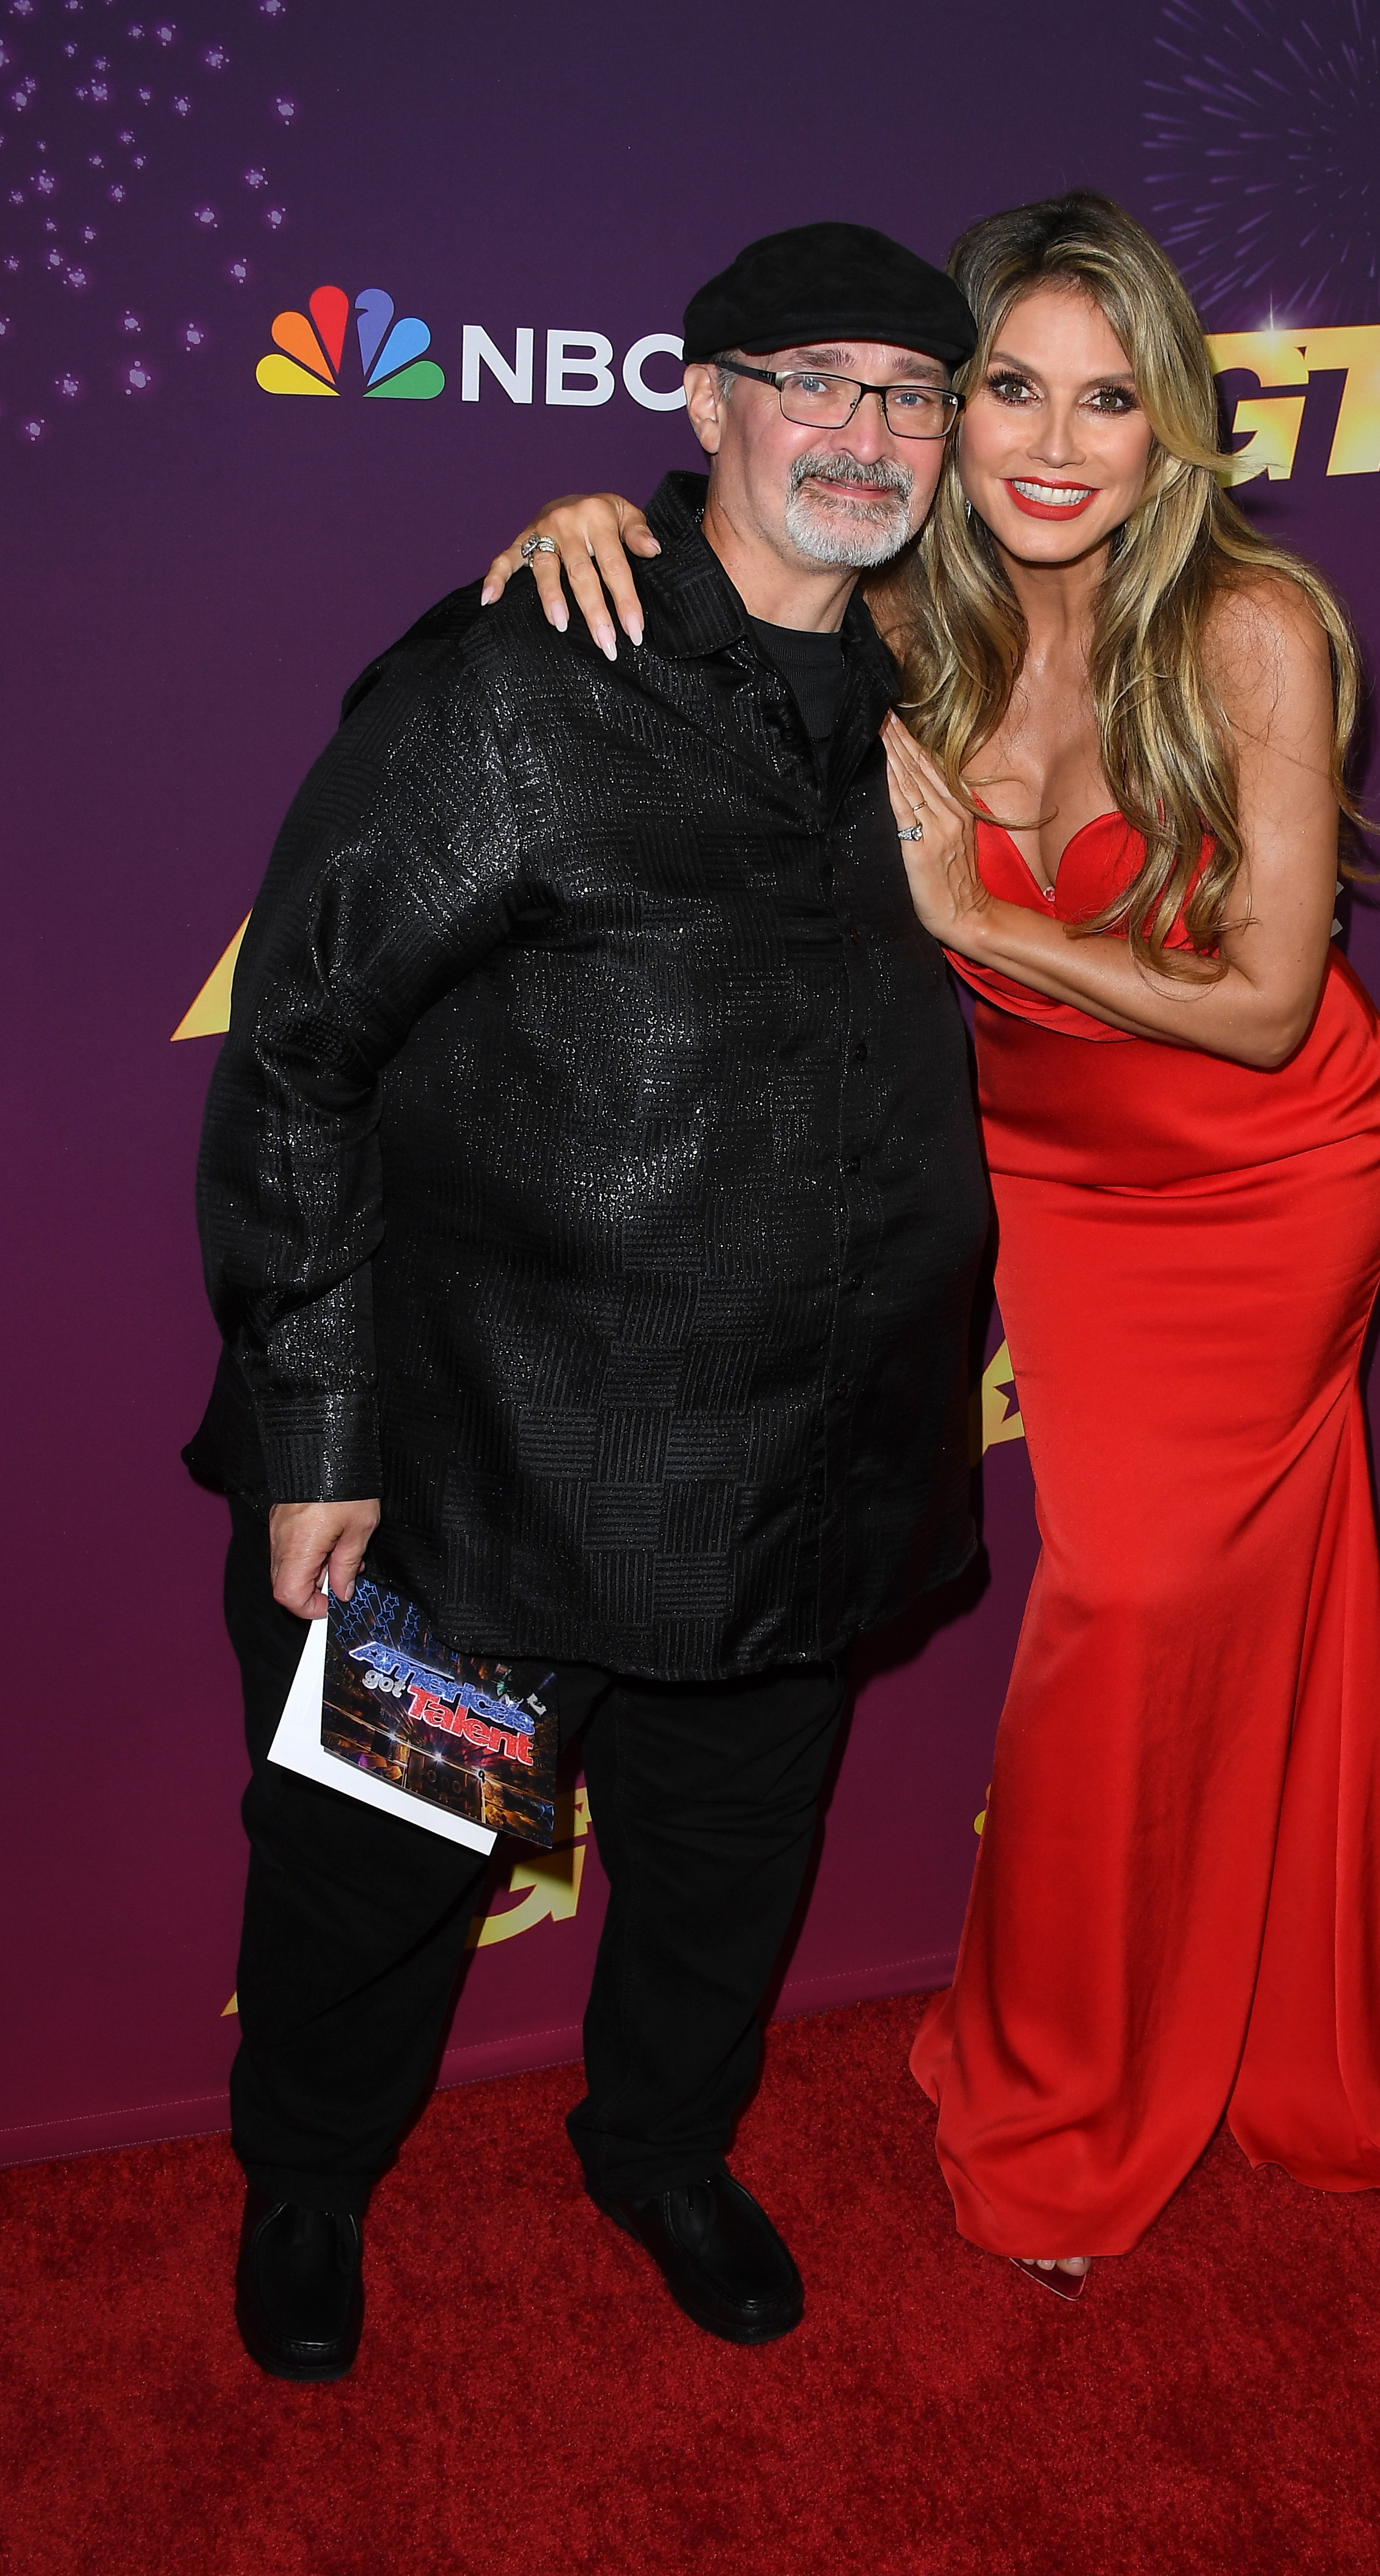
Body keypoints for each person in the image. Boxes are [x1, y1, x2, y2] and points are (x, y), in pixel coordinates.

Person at [490, 192, 1380, 2298]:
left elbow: (1265, 1001)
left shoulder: (1252, 628)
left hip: (1271, 1175)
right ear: (951, 405)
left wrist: (975, 916)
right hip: (1054, 1192)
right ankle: (1229, 1996)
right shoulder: (908, 617)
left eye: (1111, 397)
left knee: (1127, 1606)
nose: (1055, 443)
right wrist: (583, 516)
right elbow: (718, 574)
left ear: (1175, 432)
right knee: (1200, 1620)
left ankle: (1061, 2092)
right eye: (1010, 387)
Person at [187, 222, 991, 2377]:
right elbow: (298, 1062)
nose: (864, 427)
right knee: (376, 1869)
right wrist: (321, 1433)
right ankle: (309, 2176)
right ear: (698, 403)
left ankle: (661, 2148)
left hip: (800, 1465)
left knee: (731, 1869)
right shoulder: (520, 679)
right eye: (806, 379)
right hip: (488, 1474)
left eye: (909, 392)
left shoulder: (913, 689)